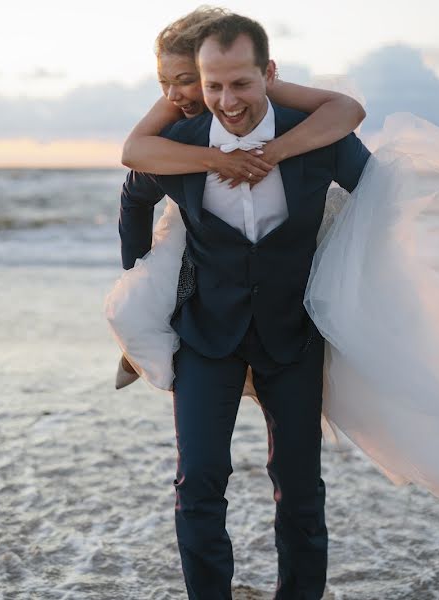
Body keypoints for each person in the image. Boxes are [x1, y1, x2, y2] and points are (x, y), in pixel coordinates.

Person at [112, 13, 372, 599]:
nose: (227, 101)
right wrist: (141, 289)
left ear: (268, 76)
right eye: (214, 86)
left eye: (242, 84)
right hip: (205, 333)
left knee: (300, 487)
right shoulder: (178, 144)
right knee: (199, 480)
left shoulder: (316, 135)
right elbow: (133, 200)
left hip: (295, 334)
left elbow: (378, 198)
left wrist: (355, 286)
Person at [112, 6, 365, 390]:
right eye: (165, 81)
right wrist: (217, 161)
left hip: (273, 230)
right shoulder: (175, 102)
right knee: (156, 290)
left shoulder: (252, 86)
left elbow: (347, 110)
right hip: (193, 206)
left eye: (184, 80)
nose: (172, 93)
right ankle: (139, 348)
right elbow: (132, 152)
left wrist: (273, 153)